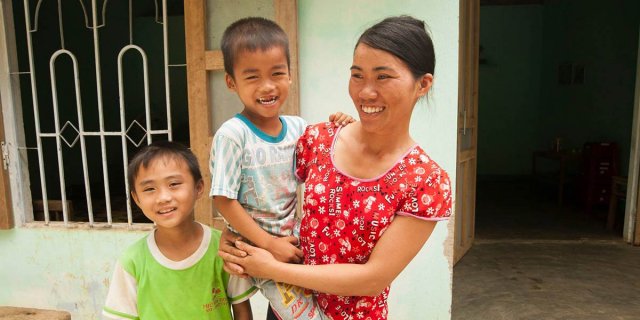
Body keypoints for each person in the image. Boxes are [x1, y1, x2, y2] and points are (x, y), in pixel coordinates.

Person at [218, 15, 453, 320]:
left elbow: (373, 279)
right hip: (288, 309)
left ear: (422, 84)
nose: (366, 92)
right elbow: (263, 193)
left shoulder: (426, 182)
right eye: (357, 75)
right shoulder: (318, 139)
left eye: (383, 77)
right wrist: (237, 237)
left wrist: (270, 268)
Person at [210, 17, 353, 320]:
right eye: (252, 77)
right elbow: (223, 199)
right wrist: (269, 244)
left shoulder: (298, 128)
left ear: (290, 76)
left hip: (297, 241)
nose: (267, 86)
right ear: (231, 82)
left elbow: (331, 159)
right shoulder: (233, 135)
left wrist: (344, 127)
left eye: (277, 73)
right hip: (257, 249)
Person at [103, 141, 252, 320]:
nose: (163, 198)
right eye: (150, 189)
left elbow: (242, 311)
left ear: (199, 188)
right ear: (136, 198)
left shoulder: (223, 249)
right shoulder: (133, 261)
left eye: (174, 184)